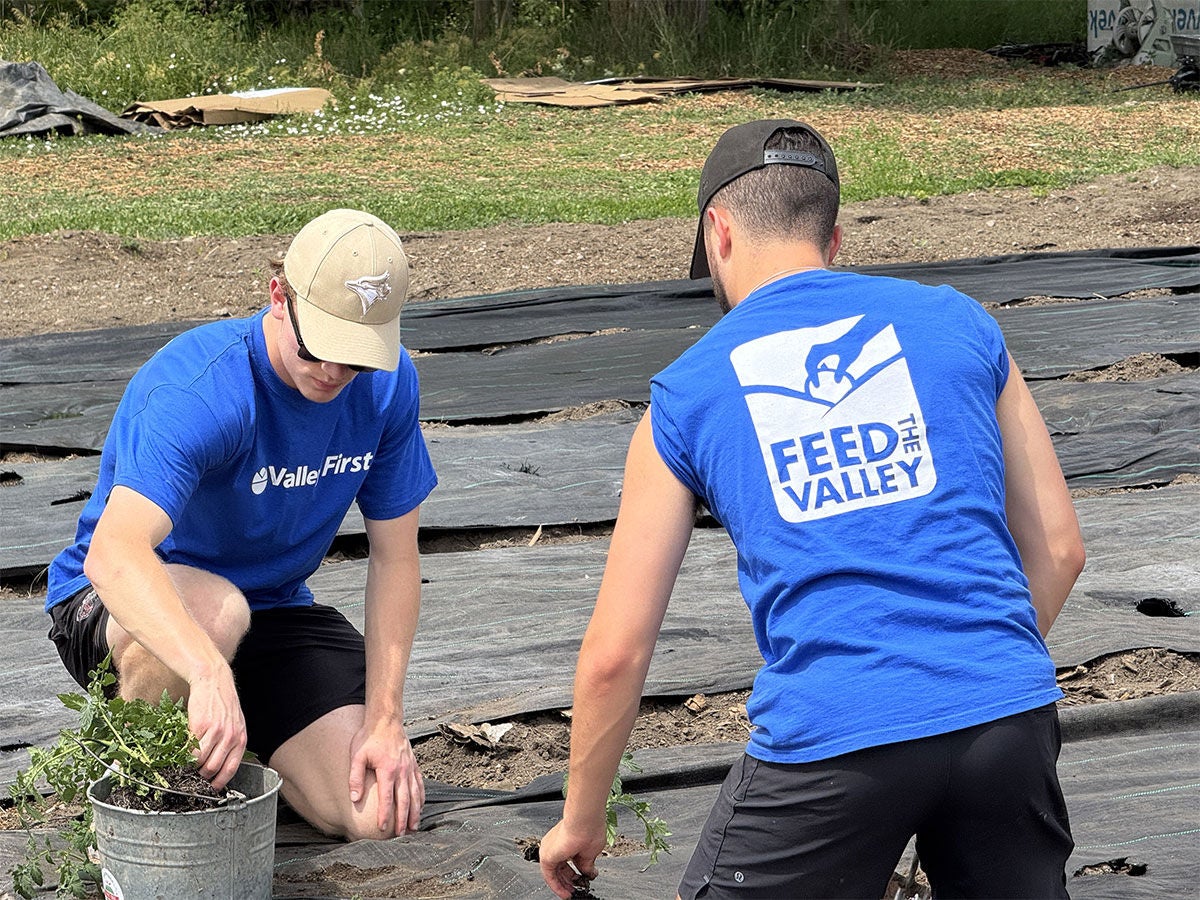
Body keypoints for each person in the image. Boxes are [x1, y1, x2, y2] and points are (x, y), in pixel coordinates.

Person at [539, 120, 1085, 899]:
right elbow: (1061, 550)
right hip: (1009, 717)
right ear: (833, 241)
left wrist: (581, 819)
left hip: (833, 736)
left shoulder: (685, 395)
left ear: (718, 234)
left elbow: (616, 654)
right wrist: (961, 684)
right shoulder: (962, 323)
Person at [45, 208, 437, 841]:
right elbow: (114, 556)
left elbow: (397, 559)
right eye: (319, 348)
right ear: (278, 295)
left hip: (275, 609)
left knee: (379, 814)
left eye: (356, 358)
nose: (333, 374)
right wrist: (205, 670)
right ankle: (148, 791)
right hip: (125, 608)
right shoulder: (201, 388)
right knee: (218, 614)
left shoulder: (389, 389)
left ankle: (240, 736)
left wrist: (386, 718)